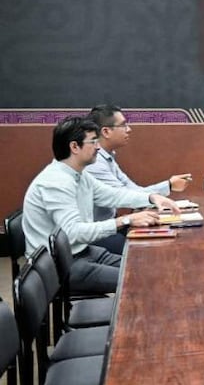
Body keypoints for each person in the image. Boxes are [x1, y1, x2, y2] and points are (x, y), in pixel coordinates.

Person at [21, 116, 179, 294]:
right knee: (142, 279)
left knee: (148, 270)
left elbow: (112, 195)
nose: (98, 146)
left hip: (83, 252)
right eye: (93, 141)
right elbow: (72, 233)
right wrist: (125, 220)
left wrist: (151, 197)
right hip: (60, 266)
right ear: (74, 147)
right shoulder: (55, 182)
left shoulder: (78, 174)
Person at [84, 104, 192, 254]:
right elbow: (123, 196)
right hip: (97, 234)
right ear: (106, 131)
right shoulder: (95, 163)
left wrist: (166, 187)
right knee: (147, 252)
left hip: (113, 226)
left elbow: (133, 191)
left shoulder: (107, 158)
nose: (129, 129)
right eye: (123, 125)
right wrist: (165, 188)